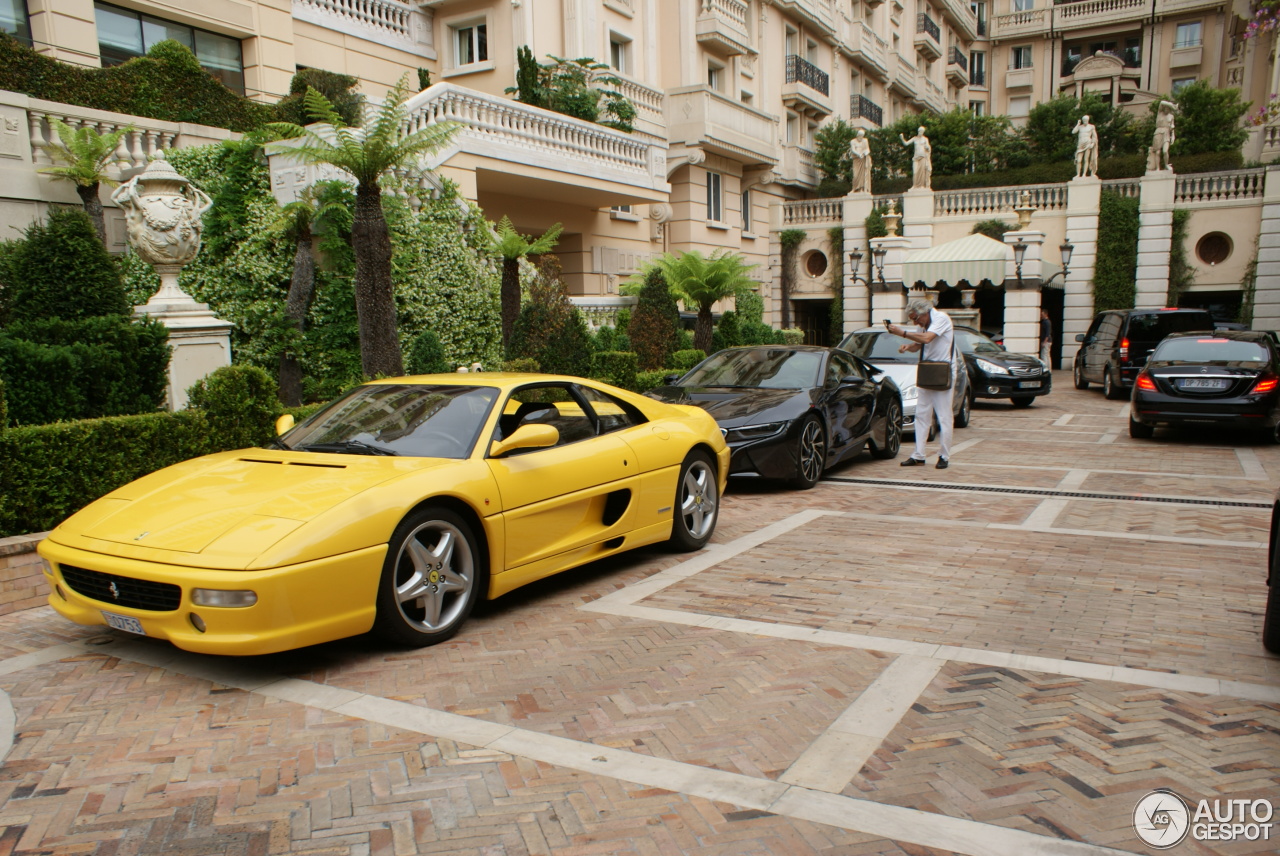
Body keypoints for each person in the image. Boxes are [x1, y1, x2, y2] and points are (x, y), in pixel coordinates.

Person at [886, 298, 955, 469]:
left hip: (942, 371)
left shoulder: (941, 318)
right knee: (922, 413)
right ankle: (918, 454)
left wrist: (902, 332)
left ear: (924, 312)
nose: (915, 322)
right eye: (912, 319)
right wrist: (907, 347)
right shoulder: (922, 324)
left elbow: (927, 338)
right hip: (927, 370)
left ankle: (944, 456)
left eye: (916, 318)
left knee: (944, 415)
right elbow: (919, 344)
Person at [1148, 101, 1175, 172]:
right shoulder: (1160, 113)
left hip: (1166, 133)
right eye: (1165, 108)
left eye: (1168, 108)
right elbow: (1161, 102)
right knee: (1157, 152)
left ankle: (1166, 164)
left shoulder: (1171, 116)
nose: (1166, 110)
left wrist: (1173, 136)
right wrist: (1172, 105)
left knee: (1165, 151)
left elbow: (1172, 127)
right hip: (1158, 132)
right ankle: (1157, 168)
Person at [849, 129, 872, 194]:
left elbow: (867, 149)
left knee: (863, 174)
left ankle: (861, 188)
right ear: (857, 135)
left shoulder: (865, 140)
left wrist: (864, 153)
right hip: (856, 159)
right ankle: (854, 188)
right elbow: (853, 149)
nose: (861, 137)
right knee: (855, 175)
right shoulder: (853, 141)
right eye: (860, 136)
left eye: (862, 136)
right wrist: (858, 154)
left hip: (863, 158)